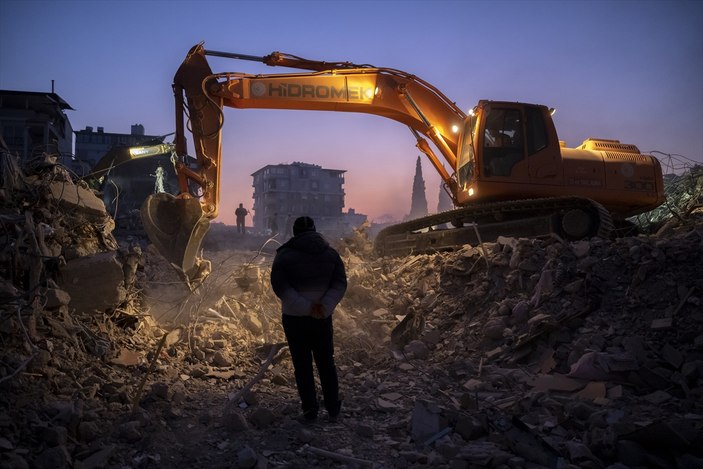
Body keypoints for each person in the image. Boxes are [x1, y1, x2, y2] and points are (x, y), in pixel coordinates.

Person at [270, 216, 347, 423]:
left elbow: (280, 287)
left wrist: (305, 307)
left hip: (295, 320)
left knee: (302, 365)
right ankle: (332, 409)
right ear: (315, 230)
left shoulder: (284, 256)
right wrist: (324, 307)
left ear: (294, 232)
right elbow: (340, 284)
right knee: (326, 363)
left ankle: (310, 411)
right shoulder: (331, 254)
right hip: (322, 318)